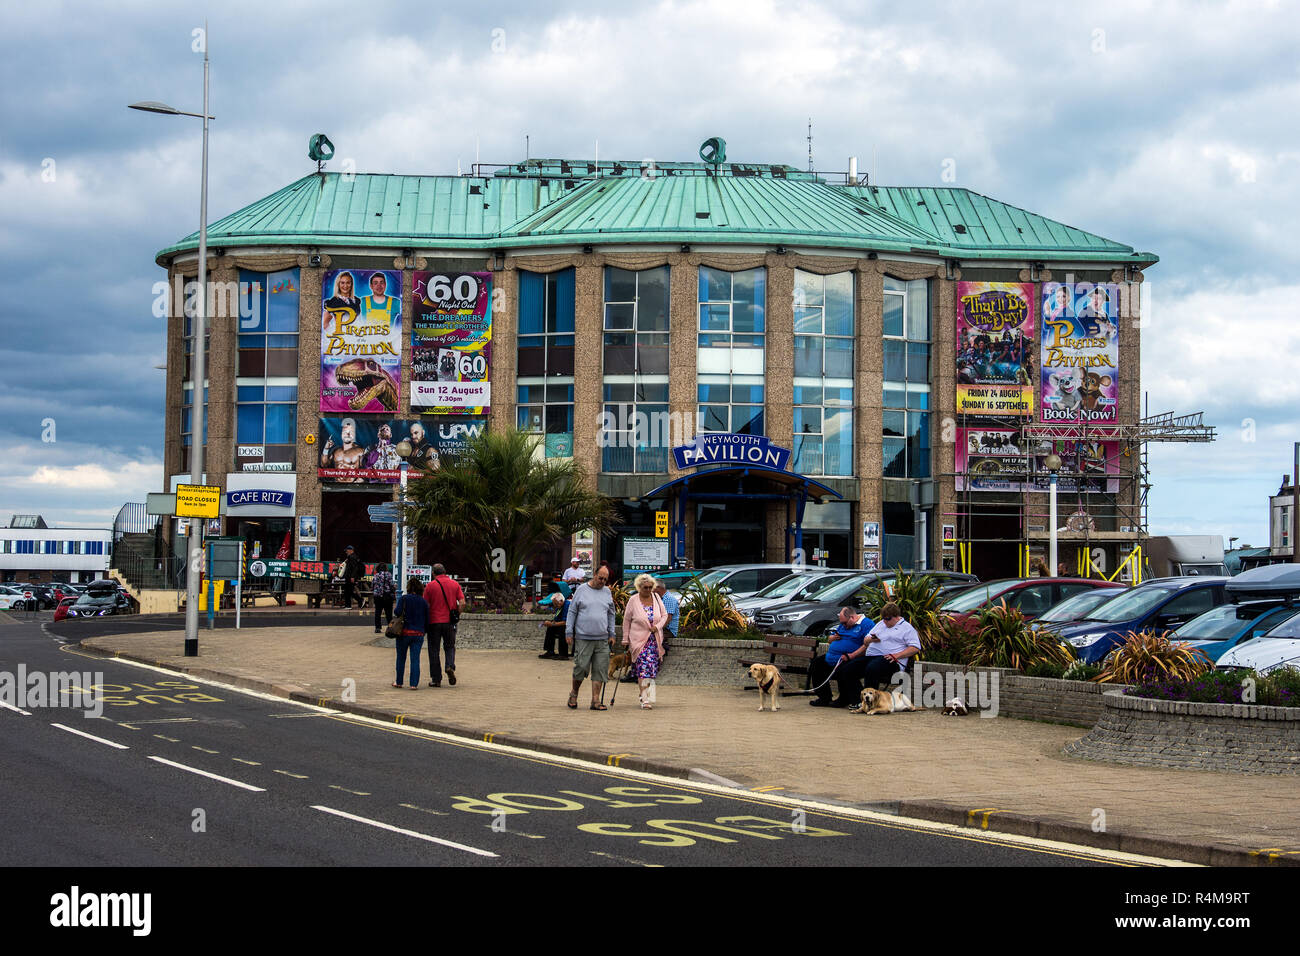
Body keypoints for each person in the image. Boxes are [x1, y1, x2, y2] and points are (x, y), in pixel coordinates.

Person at [836, 602, 921, 703]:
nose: (885, 621)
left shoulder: (906, 628)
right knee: (848, 669)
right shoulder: (881, 624)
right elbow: (865, 640)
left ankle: (871, 702)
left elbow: (915, 647)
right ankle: (858, 700)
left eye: (888, 619)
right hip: (872, 656)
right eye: (883, 618)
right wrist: (871, 639)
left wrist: (896, 655)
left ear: (896, 616)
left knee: (872, 668)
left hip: (892, 660)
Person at [565, 565, 616, 711]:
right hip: (583, 637)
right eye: (600, 578)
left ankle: (595, 700)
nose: (602, 581)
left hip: (602, 639)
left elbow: (611, 614)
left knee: (600, 669)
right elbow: (572, 611)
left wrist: (612, 633)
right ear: (594, 575)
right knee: (580, 667)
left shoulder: (607, 592)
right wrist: (569, 632)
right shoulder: (581, 590)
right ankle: (574, 694)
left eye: (605, 580)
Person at [808, 606, 874, 707]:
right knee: (816, 664)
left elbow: (867, 645)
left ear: (852, 617)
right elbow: (830, 639)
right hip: (833, 656)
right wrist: (832, 638)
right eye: (842, 623)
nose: (844, 626)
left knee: (844, 669)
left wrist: (852, 655)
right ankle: (824, 697)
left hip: (852, 656)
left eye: (845, 623)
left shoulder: (867, 624)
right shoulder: (843, 625)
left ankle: (845, 698)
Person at [623, 573, 667, 710]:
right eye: (645, 588)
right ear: (639, 587)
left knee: (651, 670)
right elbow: (626, 620)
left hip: (654, 640)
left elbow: (664, 615)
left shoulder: (656, 598)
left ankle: (646, 695)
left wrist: (657, 627)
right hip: (638, 640)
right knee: (643, 669)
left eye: (650, 587)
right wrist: (625, 638)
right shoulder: (633, 600)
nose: (648, 590)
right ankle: (645, 699)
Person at [422, 563, 465, 687]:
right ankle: (449, 666)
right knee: (450, 646)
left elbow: (426, 605)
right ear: (445, 572)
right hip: (449, 622)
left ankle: (436, 679)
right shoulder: (455, 584)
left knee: (434, 650)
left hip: (434, 622)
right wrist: (457, 614)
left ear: (433, 573)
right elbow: (462, 602)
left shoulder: (430, 586)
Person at [392, 577, 428, 689]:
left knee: (401, 658)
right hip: (418, 633)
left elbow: (397, 612)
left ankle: (399, 681)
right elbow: (427, 618)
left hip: (404, 632)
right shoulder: (423, 601)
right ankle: (413, 684)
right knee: (415, 659)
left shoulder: (404, 599)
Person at [538, 592, 571, 660]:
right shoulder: (559, 607)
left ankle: (563, 654)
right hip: (563, 624)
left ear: (561, 601)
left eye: (556, 603)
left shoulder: (567, 605)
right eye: (554, 604)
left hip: (571, 626)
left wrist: (552, 624)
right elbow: (556, 620)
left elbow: (565, 622)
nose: (554, 605)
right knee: (551, 628)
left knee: (562, 629)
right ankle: (550, 651)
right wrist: (550, 623)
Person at [371, 562, 396, 633]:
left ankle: (377, 628)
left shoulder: (376, 575)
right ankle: (390, 628)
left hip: (378, 596)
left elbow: (372, 585)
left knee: (378, 612)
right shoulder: (389, 575)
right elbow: (391, 585)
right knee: (389, 613)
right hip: (387, 595)